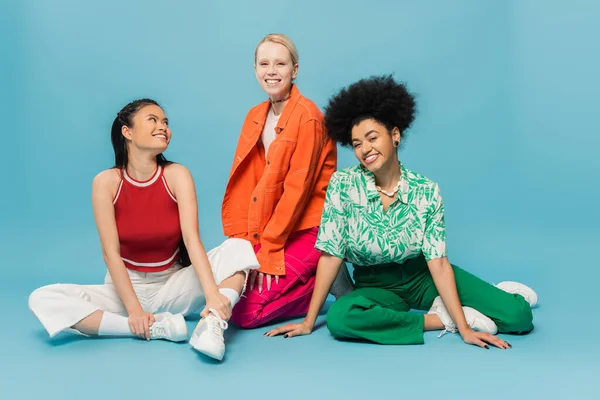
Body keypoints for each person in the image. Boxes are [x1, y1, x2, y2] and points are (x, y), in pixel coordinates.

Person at [266, 75, 538, 348]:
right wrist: (308, 322)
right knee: (340, 318)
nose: (365, 149)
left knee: (518, 317)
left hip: (422, 277)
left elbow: (438, 264)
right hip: (376, 286)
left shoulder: (426, 190)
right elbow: (330, 255)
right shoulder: (343, 185)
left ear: (394, 135)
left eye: (372, 138)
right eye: (357, 143)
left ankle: (502, 295)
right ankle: (440, 319)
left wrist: (468, 332)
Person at [28, 99, 259, 361]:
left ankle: (212, 323)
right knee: (42, 298)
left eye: (166, 122)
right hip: (125, 289)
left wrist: (213, 297)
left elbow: (192, 239)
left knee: (239, 247)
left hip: (173, 286)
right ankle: (151, 328)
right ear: (127, 132)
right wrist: (135, 312)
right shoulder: (106, 183)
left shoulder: (177, 174)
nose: (163, 127)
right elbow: (110, 254)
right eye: (153, 120)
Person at [222, 33, 352, 329]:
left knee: (245, 314)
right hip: (274, 228)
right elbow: (249, 182)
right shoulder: (255, 115)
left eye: (280, 63)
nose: (271, 71)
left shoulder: (308, 117)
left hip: (310, 227)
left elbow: (298, 191)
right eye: (264, 63)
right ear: (254, 69)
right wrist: (245, 240)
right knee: (228, 292)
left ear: (294, 70)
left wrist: (269, 249)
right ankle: (321, 273)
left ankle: (323, 278)